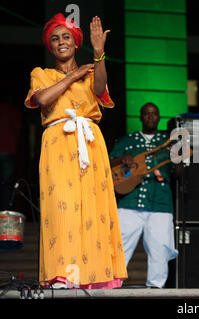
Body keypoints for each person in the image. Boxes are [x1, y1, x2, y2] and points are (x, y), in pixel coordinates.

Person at [24, 13, 127, 289]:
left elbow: (101, 87)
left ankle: (97, 276)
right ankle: (63, 276)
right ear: (51, 46)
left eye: (66, 37)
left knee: (93, 210)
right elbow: (43, 98)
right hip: (58, 143)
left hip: (90, 143)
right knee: (62, 209)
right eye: (55, 39)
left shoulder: (92, 70)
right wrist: (73, 76)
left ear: (75, 42)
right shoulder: (41, 74)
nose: (61, 42)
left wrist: (98, 54)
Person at [109, 103, 179, 288]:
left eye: (154, 113)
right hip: (130, 200)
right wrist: (122, 159)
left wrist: (181, 157)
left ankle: (156, 286)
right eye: (146, 114)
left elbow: (178, 173)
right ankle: (113, 284)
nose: (150, 116)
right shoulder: (128, 140)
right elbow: (107, 163)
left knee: (160, 247)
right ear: (140, 117)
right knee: (119, 247)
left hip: (160, 202)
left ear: (159, 117)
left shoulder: (168, 142)